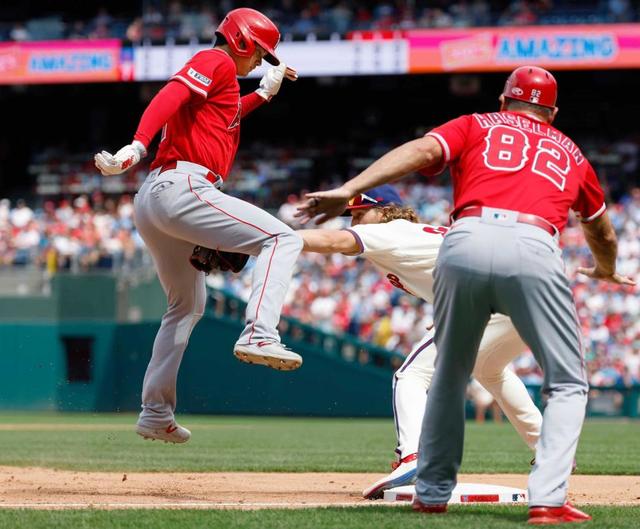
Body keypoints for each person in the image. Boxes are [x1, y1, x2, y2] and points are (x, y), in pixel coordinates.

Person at [296, 66, 635, 524]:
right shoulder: (572, 152)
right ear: (552, 112)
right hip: (535, 247)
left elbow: (420, 151)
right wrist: (607, 270)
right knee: (567, 381)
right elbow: (600, 228)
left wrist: (350, 188)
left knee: (451, 372)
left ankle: (431, 489)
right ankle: (548, 498)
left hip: (467, 237)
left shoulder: (476, 123)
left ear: (503, 100)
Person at [94, 8, 304, 444]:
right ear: (243, 41)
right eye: (260, 55)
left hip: (155, 202)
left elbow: (224, 118)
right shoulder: (219, 61)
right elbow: (169, 96)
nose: (257, 63)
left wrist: (265, 93)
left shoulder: (225, 80)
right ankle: (260, 334)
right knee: (282, 237)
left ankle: (155, 412)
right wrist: (137, 145)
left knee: (186, 305)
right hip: (181, 187)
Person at [298, 184, 541, 500]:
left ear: (384, 211)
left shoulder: (389, 232)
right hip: (526, 295)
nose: (354, 223)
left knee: (410, 376)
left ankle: (412, 457)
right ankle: (549, 447)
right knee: (489, 369)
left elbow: (333, 240)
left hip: (489, 299)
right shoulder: (414, 233)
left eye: (360, 214)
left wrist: (272, 238)